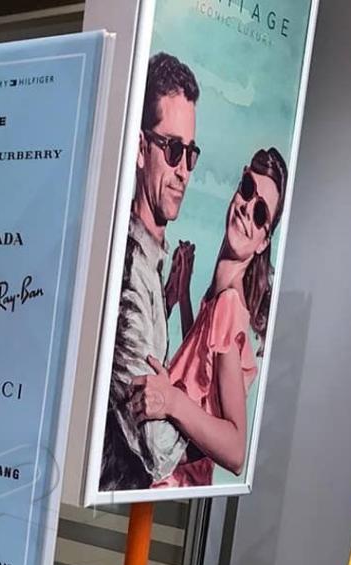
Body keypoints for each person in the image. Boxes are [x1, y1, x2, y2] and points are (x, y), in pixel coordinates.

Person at [132, 148, 288, 488]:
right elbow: (206, 382)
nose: (247, 208)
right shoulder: (219, 298)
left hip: (171, 482)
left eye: (260, 213)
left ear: (264, 242)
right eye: (247, 189)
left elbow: (235, 451)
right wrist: (184, 297)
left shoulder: (229, 305)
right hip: (162, 475)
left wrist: (171, 400)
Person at [99, 52, 201, 493]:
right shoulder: (129, 269)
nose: (183, 171)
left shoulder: (152, 263)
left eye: (191, 155)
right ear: (142, 149)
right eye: (173, 150)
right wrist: (195, 413)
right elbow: (156, 445)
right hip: (110, 500)